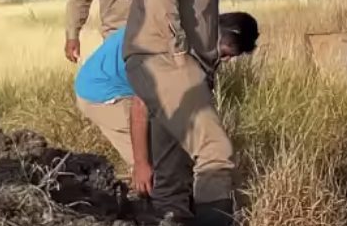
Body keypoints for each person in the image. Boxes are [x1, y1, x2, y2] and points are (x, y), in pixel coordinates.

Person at [122, 0, 251, 226]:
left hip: (156, 62)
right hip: (166, 61)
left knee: (173, 167)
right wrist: (177, 51)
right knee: (215, 151)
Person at [74, 12, 259, 190]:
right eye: (225, 54)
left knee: (171, 157)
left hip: (127, 84)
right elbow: (140, 106)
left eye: (230, 57)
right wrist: (141, 163)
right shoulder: (170, 46)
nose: (225, 61)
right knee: (156, 170)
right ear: (214, 36)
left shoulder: (198, 28)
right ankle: (148, 211)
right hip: (101, 91)